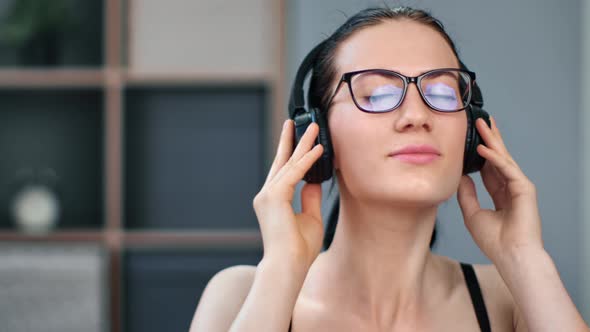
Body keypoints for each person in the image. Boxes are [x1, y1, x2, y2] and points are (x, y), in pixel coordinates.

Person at [190, 6, 588, 332]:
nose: (416, 115)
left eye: (441, 93)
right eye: (378, 94)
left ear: (471, 136)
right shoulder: (241, 295)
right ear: (318, 135)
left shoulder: (509, 300)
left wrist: (525, 257)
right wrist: (281, 272)